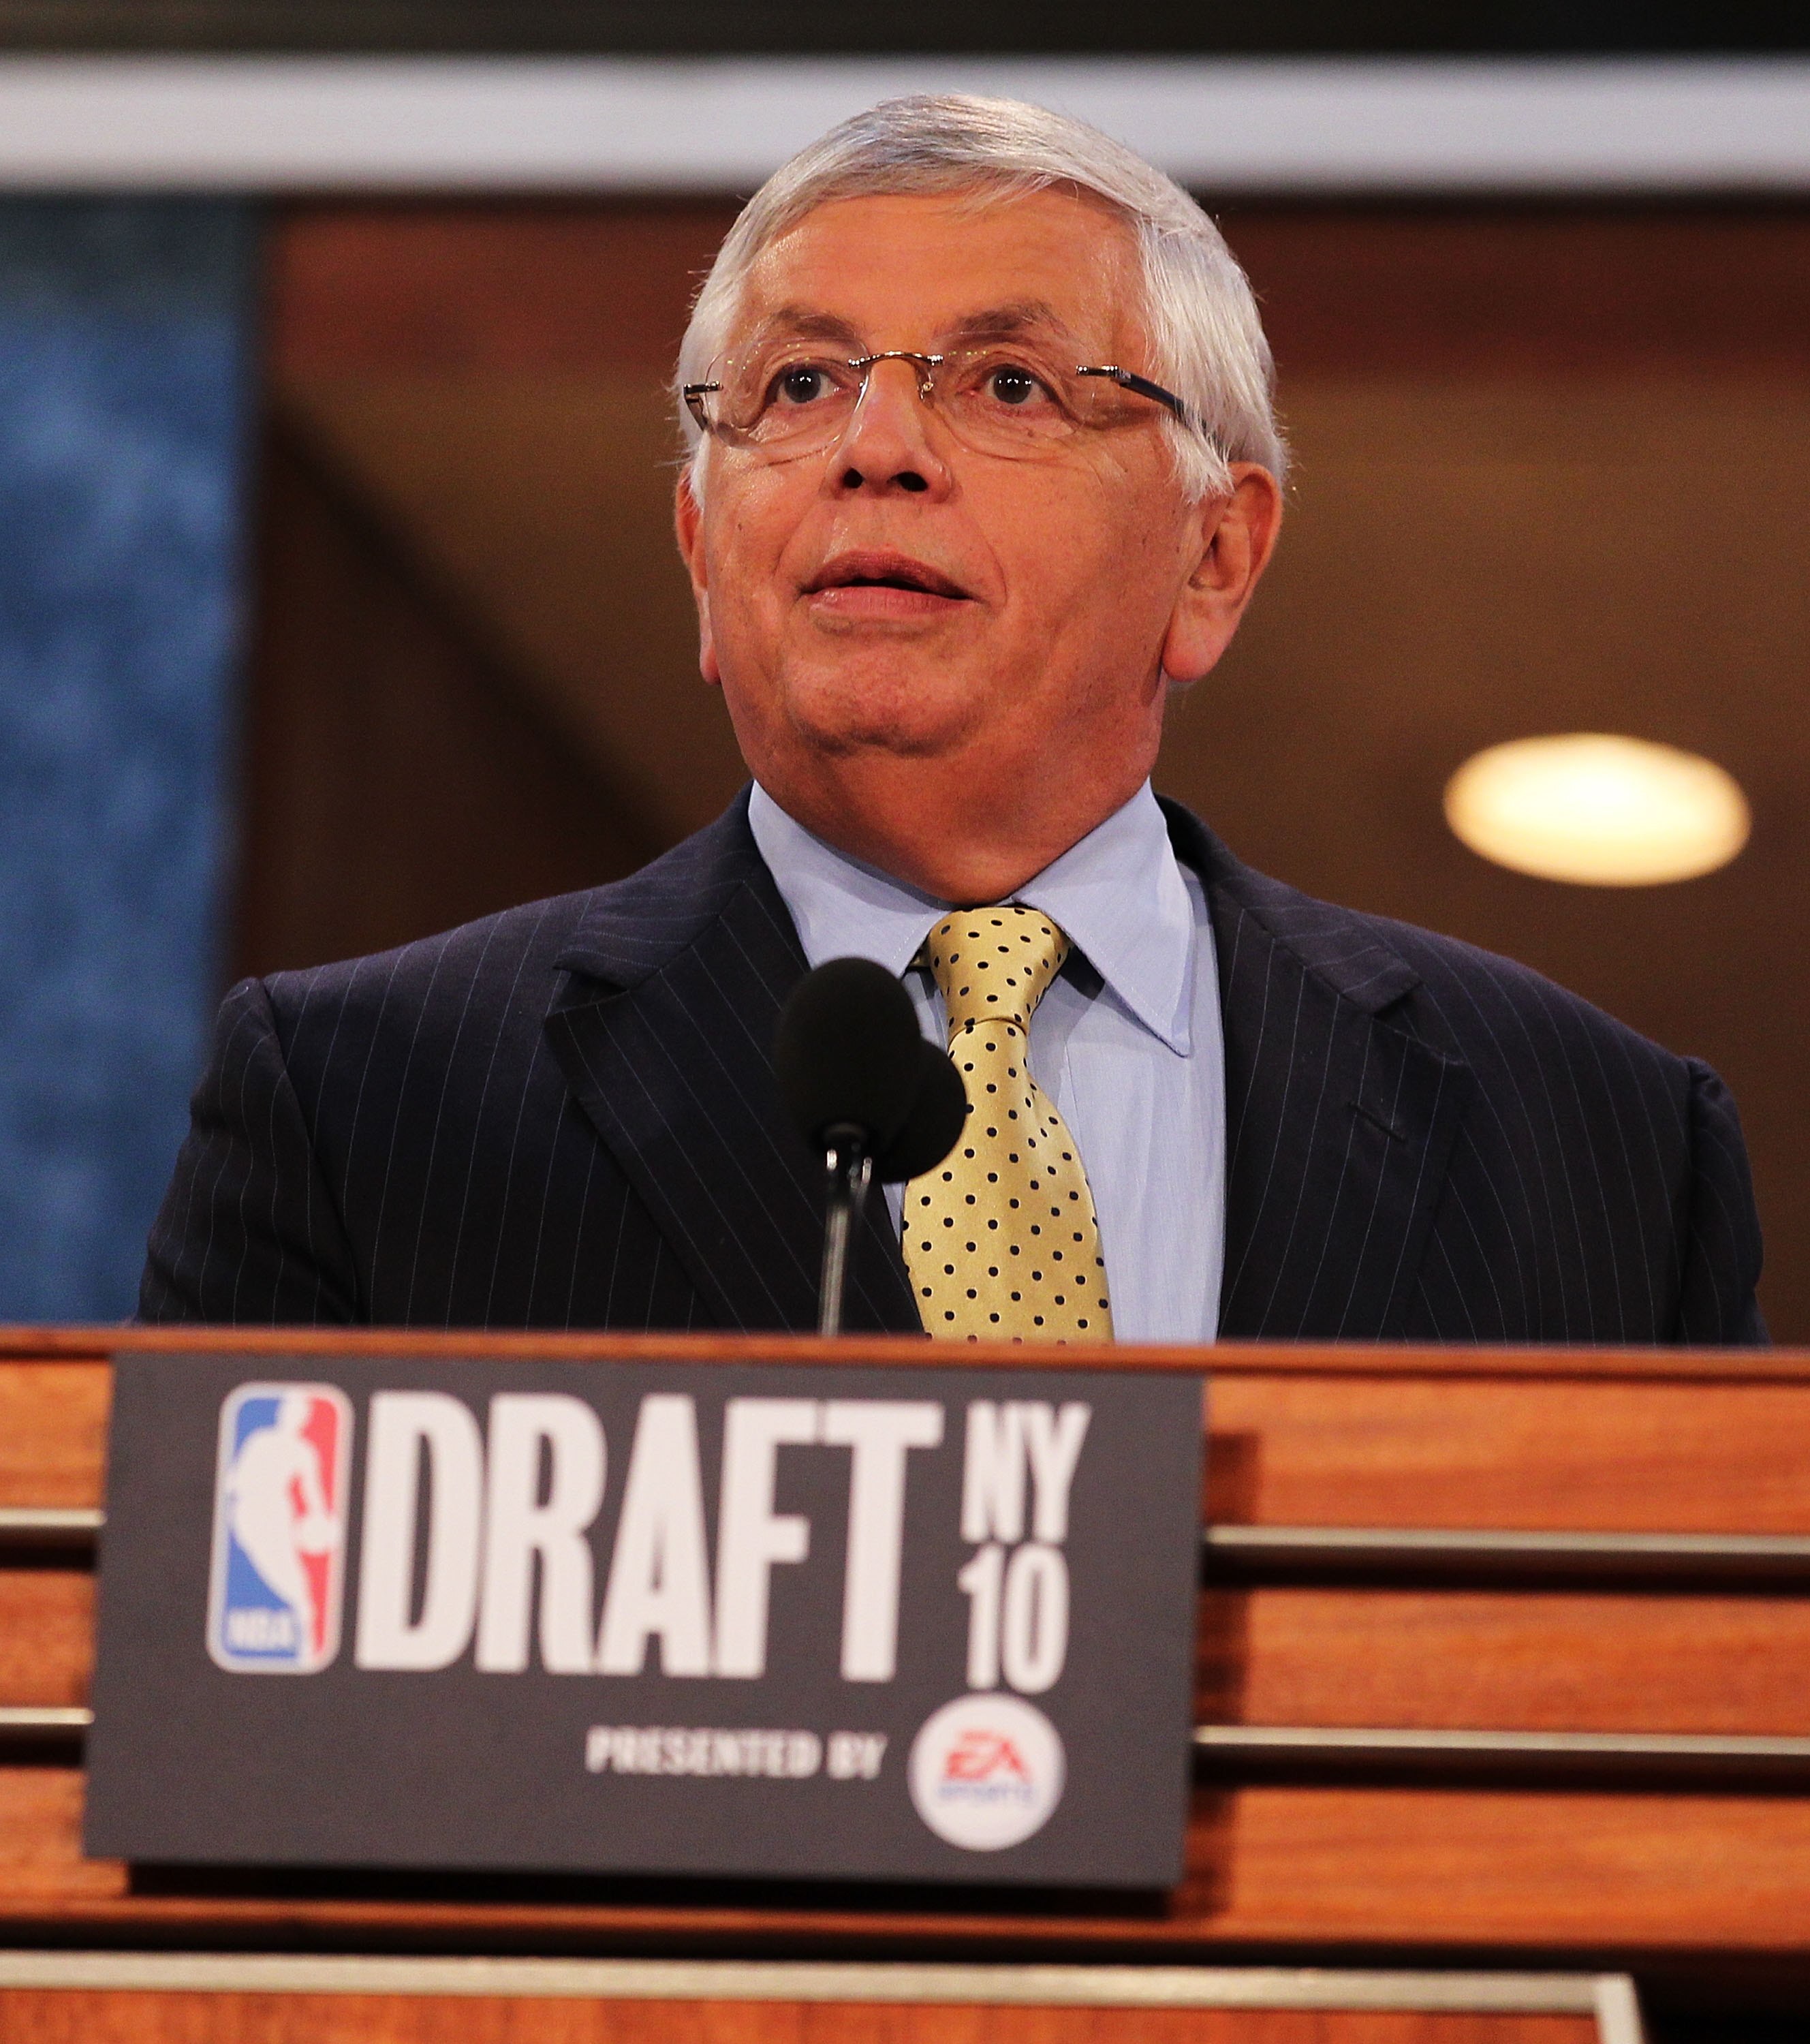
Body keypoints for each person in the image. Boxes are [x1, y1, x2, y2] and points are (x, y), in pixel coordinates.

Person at [138, 95, 1763, 1344]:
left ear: (1216, 557)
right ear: (705, 555)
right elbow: (217, 1738)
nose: (878, 447)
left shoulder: (1602, 1148)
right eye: (798, 386)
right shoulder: (366, 1110)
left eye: (1005, 385)